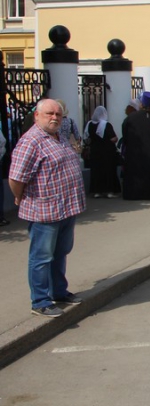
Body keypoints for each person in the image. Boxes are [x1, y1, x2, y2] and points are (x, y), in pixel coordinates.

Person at [10, 99, 87, 318]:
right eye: (49, 113)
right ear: (37, 116)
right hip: (44, 211)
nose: (54, 117)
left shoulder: (58, 136)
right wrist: (18, 196)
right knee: (41, 257)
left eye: (58, 114)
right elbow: (16, 178)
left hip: (66, 208)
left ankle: (59, 292)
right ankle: (40, 301)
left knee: (60, 253)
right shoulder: (31, 141)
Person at [121, 91, 150, 200]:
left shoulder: (130, 118)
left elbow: (124, 134)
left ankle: (132, 194)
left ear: (141, 104)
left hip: (133, 151)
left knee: (134, 172)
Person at [84, 106, 121, 198]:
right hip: (107, 152)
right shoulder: (106, 124)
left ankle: (97, 191)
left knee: (96, 171)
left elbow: (86, 137)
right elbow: (113, 138)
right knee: (108, 171)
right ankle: (109, 191)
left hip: (95, 151)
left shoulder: (89, 124)